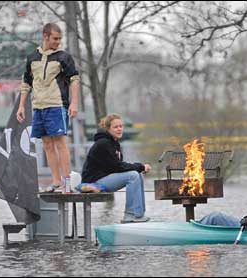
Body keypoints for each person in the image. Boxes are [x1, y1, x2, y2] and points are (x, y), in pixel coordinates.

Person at [16, 23, 80, 192]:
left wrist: (74, 103)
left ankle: (67, 185)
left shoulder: (64, 57)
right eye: (55, 39)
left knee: (60, 143)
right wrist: (21, 106)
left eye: (60, 39)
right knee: (47, 145)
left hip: (57, 105)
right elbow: (26, 83)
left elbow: (74, 79)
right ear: (45, 36)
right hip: (38, 106)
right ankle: (56, 182)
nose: (58, 42)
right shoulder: (31, 57)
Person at [81, 113, 152, 223]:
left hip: (104, 178)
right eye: (115, 127)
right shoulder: (103, 143)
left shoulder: (114, 143)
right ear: (108, 129)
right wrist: (141, 166)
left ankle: (139, 214)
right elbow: (117, 167)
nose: (119, 129)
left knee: (137, 174)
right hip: (92, 183)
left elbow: (117, 165)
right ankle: (130, 215)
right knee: (133, 175)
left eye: (121, 126)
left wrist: (139, 168)